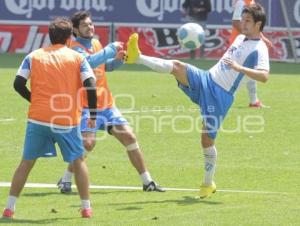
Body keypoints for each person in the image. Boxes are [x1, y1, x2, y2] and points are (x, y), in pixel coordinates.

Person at [125, 4, 269, 198]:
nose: (242, 24)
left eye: (247, 21)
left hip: (220, 96)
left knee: (206, 139)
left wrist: (239, 68)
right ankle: (137, 57)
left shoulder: (260, 48)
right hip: (207, 78)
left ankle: (208, 183)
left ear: (258, 24)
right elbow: (240, 23)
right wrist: (243, 7)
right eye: (242, 20)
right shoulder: (242, 36)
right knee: (176, 66)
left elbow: (264, 76)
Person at [57, 11, 165, 194]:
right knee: (88, 144)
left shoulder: (97, 43)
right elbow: (89, 62)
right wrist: (111, 48)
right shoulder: (73, 48)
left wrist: (119, 59)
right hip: (85, 106)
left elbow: (104, 66)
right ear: (75, 29)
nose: (90, 27)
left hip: (106, 105)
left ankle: (148, 182)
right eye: (85, 25)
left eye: (91, 24)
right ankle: (66, 179)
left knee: (129, 137)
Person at [2, 17, 99, 219]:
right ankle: (86, 208)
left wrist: (34, 100)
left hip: (38, 118)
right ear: (69, 38)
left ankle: (9, 208)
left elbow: (18, 84)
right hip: (67, 120)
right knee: (79, 160)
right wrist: (92, 114)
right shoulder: (77, 58)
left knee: (26, 162)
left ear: (50, 36)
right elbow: (90, 84)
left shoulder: (33, 56)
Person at [230, 0, 272, 108]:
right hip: (240, 41)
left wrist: (261, 37)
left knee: (251, 70)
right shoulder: (241, 2)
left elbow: (254, 25)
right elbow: (235, 22)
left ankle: (254, 102)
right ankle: (223, 98)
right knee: (237, 73)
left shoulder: (251, 2)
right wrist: (247, 35)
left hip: (248, 41)